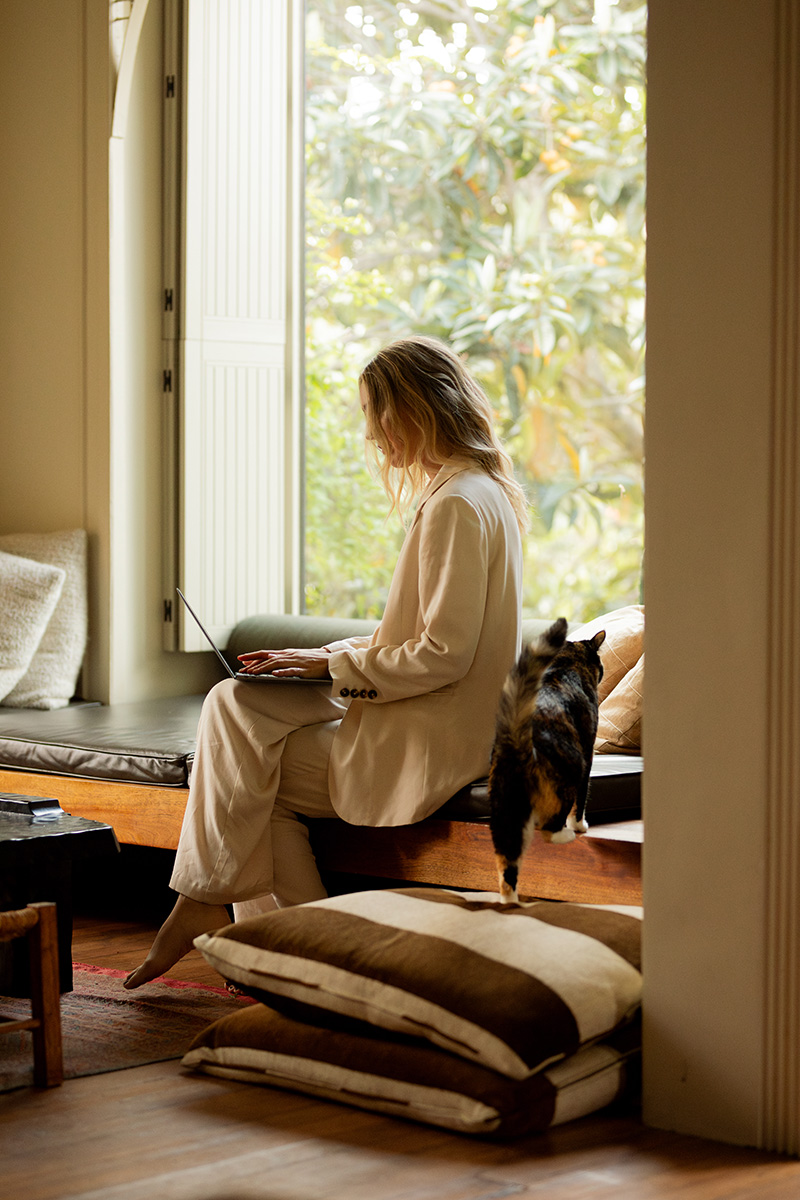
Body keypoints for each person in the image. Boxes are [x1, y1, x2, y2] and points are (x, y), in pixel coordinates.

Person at [124, 335, 527, 989]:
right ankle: (260, 944)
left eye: (376, 413)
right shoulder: (477, 491)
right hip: (432, 712)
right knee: (234, 701)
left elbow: (443, 656)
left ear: (415, 409)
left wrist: (332, 670)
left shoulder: (456, 504)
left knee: (259, 781)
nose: (370, 434)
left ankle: (292, 952)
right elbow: (425, 639)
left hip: (434, 734)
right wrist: (324, 657)